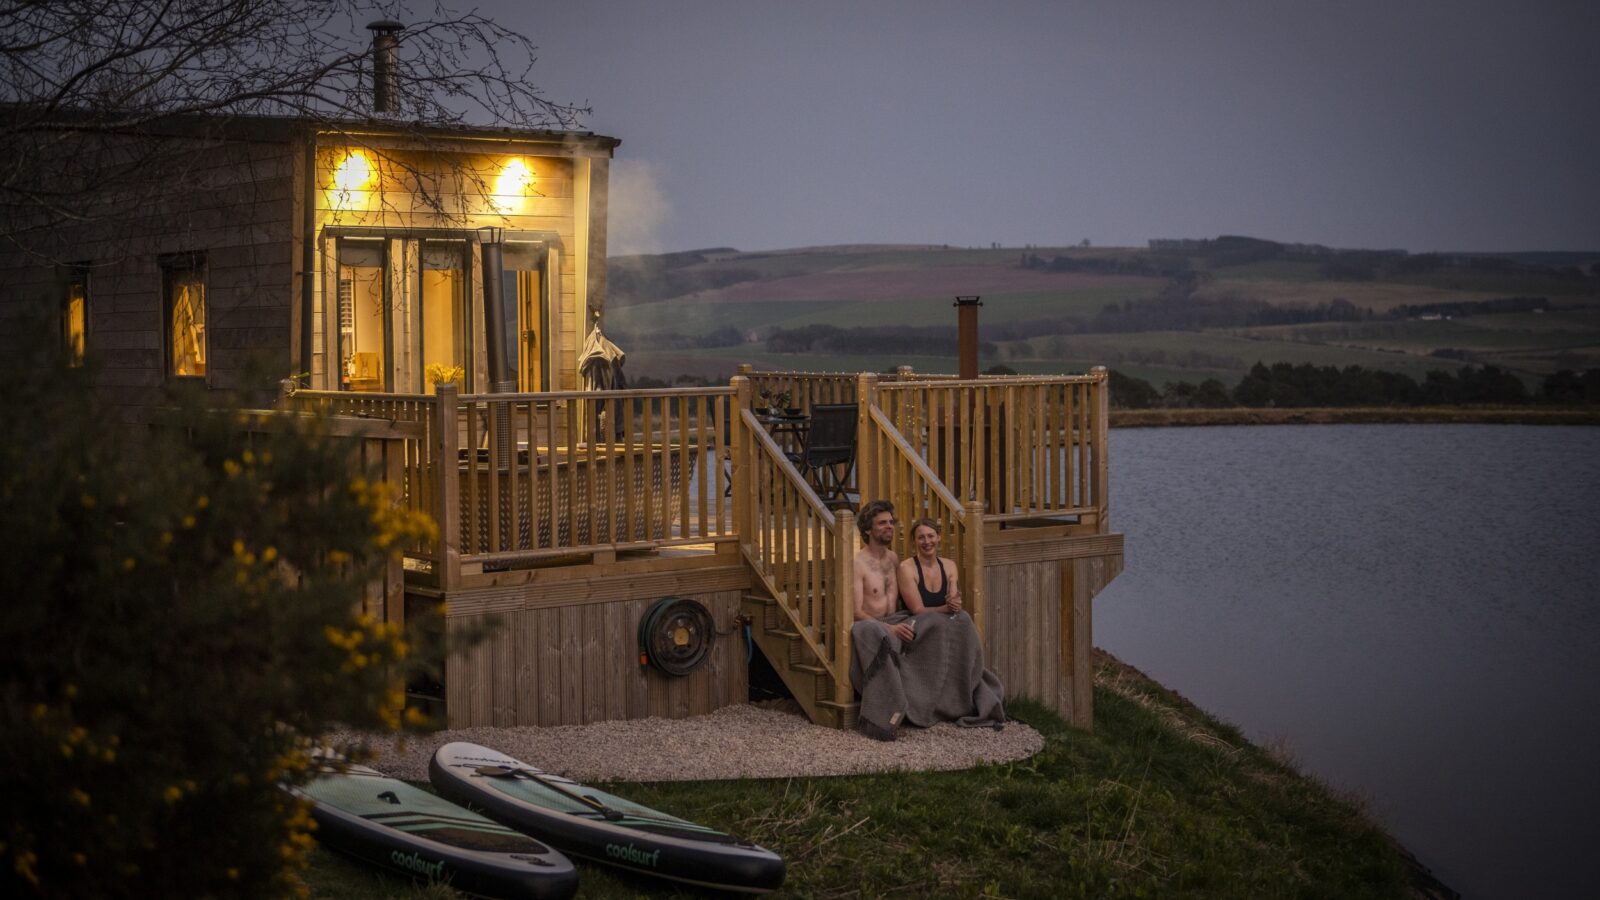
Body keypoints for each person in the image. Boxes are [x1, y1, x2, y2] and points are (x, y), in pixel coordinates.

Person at [852, 499, 914, 644]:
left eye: (891, 522)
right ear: (867, 529)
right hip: (871, 626)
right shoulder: (857, 563)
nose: (889, 526)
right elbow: (856, 612)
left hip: (896, 620)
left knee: (934, 623)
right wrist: (889, 629)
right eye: (882, 523)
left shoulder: (893, 558)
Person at [897, 518, 962, 617]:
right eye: (921, 537)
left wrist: (955, 603)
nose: (927, 541)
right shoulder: (906, 568)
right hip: (919, 623)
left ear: (938, 537)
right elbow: (917, 610)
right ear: (914, 541)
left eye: (931, 536)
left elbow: (953, 601)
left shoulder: (950, 565)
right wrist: (946, 608)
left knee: (964, 617)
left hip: (945, 620)